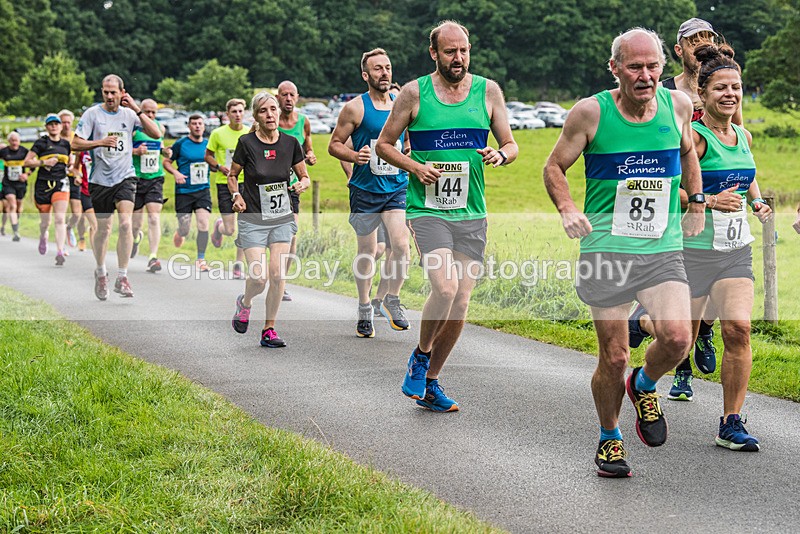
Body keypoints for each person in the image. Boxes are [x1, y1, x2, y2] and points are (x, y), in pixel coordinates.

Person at [543, 28, 706, 477]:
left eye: (653, 66)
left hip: (661, 247)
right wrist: (568, 208)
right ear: (615, 68)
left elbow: (688, 153)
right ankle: (609, 437)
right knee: (614, 357)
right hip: (607, 251)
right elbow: (554, 166)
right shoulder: (590, 113)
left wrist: (696, 202)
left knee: (678, 338)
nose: (646, 75)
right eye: (635, 67)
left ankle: (644, 383)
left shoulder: (677, 106)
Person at [376, 21, 518, 412]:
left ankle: (431, 383)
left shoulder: (488, 91)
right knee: (444, 288)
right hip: (429, 209)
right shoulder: (413, 93)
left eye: (464, 51)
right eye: (450, 51)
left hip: (472, 212)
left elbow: (510, 144)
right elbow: (385, 145)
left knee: (461, 303)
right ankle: (420, 356)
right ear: (434, 53)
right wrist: (415, 167)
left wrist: (501, 154)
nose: (458, 58)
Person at [680, 43, 770, 450]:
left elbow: (745, 174)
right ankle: (641, 353)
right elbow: (670, 191)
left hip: (735, 251)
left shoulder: (743, 135)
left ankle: (730, 422)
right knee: (679, 339)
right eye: (720, 88)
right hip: (693, 251)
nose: (730, 94)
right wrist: (711, 201)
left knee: (738, 329)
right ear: (702, 94)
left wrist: (756, 202)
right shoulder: (694, 140)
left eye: (735, 87)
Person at [328, 48, 411, 338]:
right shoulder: (355, 108)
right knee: (367, 251)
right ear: (366, 75)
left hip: (396, 187)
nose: (384, 72)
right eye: (378, 68)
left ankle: (391, 298)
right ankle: (364, 307)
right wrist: (354, 157)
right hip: (365, 190)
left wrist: (408, 151)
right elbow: (334, 144)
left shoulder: (402, 103)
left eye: (387, 67)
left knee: (401, 245)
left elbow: (407, 138)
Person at [229, 91, 310, 347]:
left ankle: (269, 329)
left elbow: (304, 176)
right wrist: (236, 195)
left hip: (281, 218)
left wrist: (302, 184)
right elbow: (232, 175)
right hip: (252, 219)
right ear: (256, 115)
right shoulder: (246, 143)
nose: (270, 114)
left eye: (273, 109)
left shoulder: (290, 143)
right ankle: (245, 302)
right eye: (263, 111)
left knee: (277, 275)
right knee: (258, 278)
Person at [72, 74, 162, 299]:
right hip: (100, 180)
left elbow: (156, 133)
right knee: (103, 230)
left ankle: (122, 276)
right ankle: (101, 271)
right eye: (106, 92)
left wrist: (136, 108)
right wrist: (99, 142)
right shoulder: (92, 114)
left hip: (125, 177)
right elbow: (75, 143)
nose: (109, 96)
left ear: (122, 92)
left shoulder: (130, 114)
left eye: (113, 92)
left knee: (125, 224)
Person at [277, 80, 317, 301]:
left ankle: (281, 282)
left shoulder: (303, 122)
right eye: (284, 95)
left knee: (291, 236)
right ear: (278, 97)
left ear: (298, 97)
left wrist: (310, 157)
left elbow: (307, 150)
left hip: (292, 187)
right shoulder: (269, 121)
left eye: (292, 95)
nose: (289, 99)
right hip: (267, 188)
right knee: (269, 237)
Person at [206, 97, 249, 279]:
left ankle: (238, 265)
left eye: (240, 111)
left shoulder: (249, 133)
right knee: (230, 230)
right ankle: (219, 226)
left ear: (244, 113)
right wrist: (218, 166)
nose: (237, 115)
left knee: (245, 225)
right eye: (234, 112)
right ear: (227, 114)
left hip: (246, 183)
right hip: (224, 183)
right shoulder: (217, 133)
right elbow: (208, 155)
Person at [163, 115, 212, 272]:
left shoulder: (208, 144)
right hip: (184, 191)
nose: (197, 126)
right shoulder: (181, 144)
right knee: (185, 228)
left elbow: (213, 162)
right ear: (189, 126)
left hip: (203, 190)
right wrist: (176, 173)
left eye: (200, 123)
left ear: (204, 126)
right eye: (194, 124)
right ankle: (180, 232)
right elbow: (166, 162)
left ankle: (201, 259)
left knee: (203, 223)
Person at [24, 114, 72, 265]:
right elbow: (27, 162)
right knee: (46, 222)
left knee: (60, 218)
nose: (54, 126)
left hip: (61, 184)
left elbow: (70, 161)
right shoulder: (41, 143)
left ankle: (60, 251)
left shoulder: (66, 144)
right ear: (46, 127)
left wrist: (71, 166)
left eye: (56, 124)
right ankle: (43, 234)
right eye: (51, 124)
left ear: (60, 126)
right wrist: (44, 162)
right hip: (43, 185)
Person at [130, 98, 168, 273]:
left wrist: (166, 151)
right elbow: (123, 150)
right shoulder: (134, 129)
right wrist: (135, 151)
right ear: (140, 111)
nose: (151, 115)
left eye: (154, 112)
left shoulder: (160, 128)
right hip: (137, 178)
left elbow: (160, 147)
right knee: (135, 224)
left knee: (153, 217)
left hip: (155, 177)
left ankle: (153, 256)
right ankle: (136, 237)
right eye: (147, 112)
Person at [0, 132, 31, 242]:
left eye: (16, 140)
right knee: (12, 205)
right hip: (8, 183)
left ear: (19, 141)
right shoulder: (4, 152)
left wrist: (27, 174)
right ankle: (16, 232)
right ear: (9, 141)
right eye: (12, 140)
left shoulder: (24, 151)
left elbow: (33, 164)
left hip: (21, 184)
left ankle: (15, 223)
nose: (14, 143)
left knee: (18, 207)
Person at [58, 109, 81, 250]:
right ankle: (61, 244)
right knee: (61, 212)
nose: (66, 125)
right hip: (59, 178)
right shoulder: (56, 139)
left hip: (73, 178)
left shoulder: (76, 137)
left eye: (68, 122)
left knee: (77, 213)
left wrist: (78, 173)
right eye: (63, 122)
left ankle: (69, 227)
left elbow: (82, 156)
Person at [73, 149, 97, 252]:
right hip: (86, 191)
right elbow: (75, 168)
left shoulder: (103, 148)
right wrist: (78, 176)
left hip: (101, 191)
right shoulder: (82, 151)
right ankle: (83, 239)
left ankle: (98, 254)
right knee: (92, 223)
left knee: (99, 226)